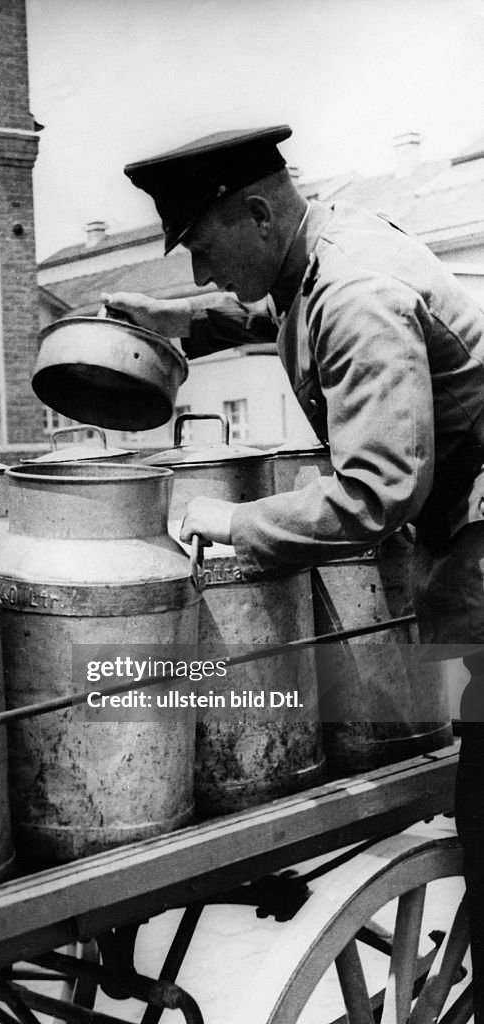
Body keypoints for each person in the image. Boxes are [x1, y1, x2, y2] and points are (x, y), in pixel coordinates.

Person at [103, 124, 484, 1019]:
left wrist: (235, 520)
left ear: (259, 210)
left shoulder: (354, 294)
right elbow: (281, 305)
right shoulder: (317, 246)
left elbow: (377, 489)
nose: (199, 271)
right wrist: (187, 325)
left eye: (201, 248)